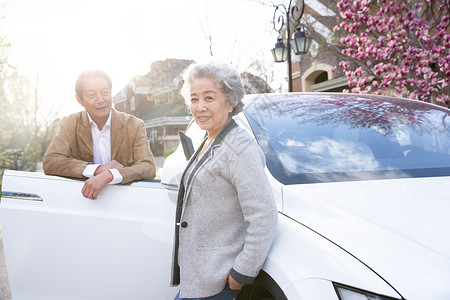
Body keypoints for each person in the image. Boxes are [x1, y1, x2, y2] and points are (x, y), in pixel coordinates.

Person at [171, 62, 278, 300]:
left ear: (229, 102)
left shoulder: (240, 148)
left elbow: (264, 216)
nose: (199, 107)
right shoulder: (209, 138)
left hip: (218, 282)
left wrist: (242, 273)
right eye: (194, 99)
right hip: (198, 278)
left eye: (209, 98)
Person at [42, 69, 156, 200]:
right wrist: (97, 170)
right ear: (79, 99)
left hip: (125, 201)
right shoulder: (70, 124)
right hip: (86, 201)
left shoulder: (134, 125)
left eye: (105, 92)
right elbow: (50, 162)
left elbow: (148, 167)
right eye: (92, 95)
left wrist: (110, 174)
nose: (101, 100)